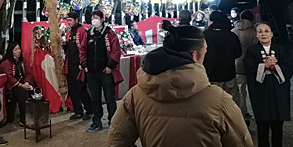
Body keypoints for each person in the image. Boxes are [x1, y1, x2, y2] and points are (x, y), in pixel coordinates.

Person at [107, 22, 252, 147]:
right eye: (205, 53)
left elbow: (116, 141)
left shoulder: (135, 95)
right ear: (195, 55)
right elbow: (241, 142)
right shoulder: (218, 99)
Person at [244, 22, 293, 147]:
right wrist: (264, 66)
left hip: (278, 90)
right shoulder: (252, 50)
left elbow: (290, 66)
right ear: (256, 35)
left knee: (278, 126)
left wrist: (275, 67)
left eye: (266, 31)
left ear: (272, 34)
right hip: (261, 91)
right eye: (260, 31)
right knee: (262, 126)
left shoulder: (280, 49)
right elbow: (248, 67)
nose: (263, 34)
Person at [79, 10, 123, 132]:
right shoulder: (88, 34)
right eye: (92, 18)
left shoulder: (110, 33)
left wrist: (110, 66)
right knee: (95, 98)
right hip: (92, 72)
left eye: (96, 18)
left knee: (110, 98)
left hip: (106, 72)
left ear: (102, 19)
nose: (94, 20)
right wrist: (84, 65)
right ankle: (96, 121)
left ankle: (113, 121)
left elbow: (116, 51)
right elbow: (82, 50)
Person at [203, 10, 242, 104]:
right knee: (232, 104)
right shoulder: (231, 35)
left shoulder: (204, 35)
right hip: (229, 75)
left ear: (211, 21)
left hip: (210, 76)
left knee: (213, 104)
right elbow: (238, 53)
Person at [62, 12, 92, 121]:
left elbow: (86, 48)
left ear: (76, 20)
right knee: (73, 89)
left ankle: (90, 110)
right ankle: (78, 111)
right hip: (70, 65)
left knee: (81, 88)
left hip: (79, 65)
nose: (68, 22)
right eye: (67, 20)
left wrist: (83, 63)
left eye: (70, 20)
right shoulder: (68, 33)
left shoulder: (82, 31)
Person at [0, 42, 33, 126]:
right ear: (11, 51)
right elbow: (9, 78)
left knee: (32, 91)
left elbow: (29, 73)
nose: (18, 51)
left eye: (19, 49)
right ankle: (23, 119)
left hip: (23, 84)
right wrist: (21, 85)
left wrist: (27, 83)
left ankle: (30, 116)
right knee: (22, 92)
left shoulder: (23, 60)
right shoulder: (5, 63)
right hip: (12, 88)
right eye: (15, 50)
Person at [232, 10, 257, 121]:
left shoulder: (233, 31)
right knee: (255, 90)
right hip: (252, 66)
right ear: (252, 19)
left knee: (241, 91)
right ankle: (259, 112)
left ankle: (242, 113)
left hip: (237, 64)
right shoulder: (254, 32)